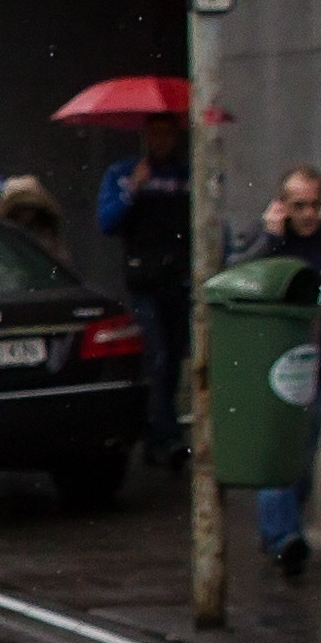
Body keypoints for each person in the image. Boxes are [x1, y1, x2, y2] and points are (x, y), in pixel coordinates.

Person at [231, 163, 321, 579]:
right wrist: (270, 240)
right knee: (277, 447)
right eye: (299, 205)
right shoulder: (267, 238)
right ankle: (283, 536)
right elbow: (237, 278)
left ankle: (283, 527)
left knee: (304, 450)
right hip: (273, 358)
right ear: (282, 205)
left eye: (315, 204)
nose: (309, 214)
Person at [93, 116, 192, 462]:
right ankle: (167, 433)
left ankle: (157, 434)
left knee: (175, 359)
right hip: (144, 280)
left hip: (178, 279)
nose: (161, 140)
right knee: (157, 357)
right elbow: (107, 221)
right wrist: (132, 190)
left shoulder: (185, 174)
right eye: (155, 133)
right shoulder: (122, 173)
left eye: (167, 134)